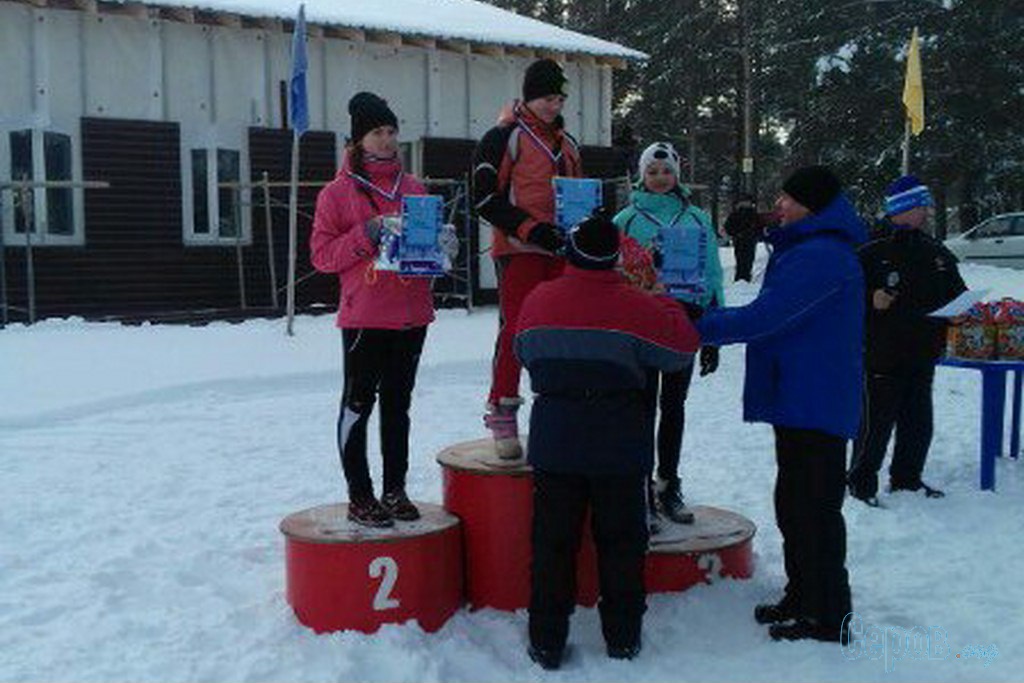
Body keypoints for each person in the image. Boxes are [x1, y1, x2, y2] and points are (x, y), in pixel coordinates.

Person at [514, 215, 699, 669]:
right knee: (621, 542)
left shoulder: (539, 300)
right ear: (616, 257)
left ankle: (546, 641)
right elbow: (682, 350)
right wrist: (667, 301)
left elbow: (523, 351)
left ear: (571, 253)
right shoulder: (636, 305)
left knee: (553, 544)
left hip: (556, 439)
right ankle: (622, 637)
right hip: (620, 442)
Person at [696, 165, 866, 642]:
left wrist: (697, 324)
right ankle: (803, 593)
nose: (781, 206)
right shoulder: (805, 248)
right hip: (799, 397)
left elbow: (768, 318)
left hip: (816, 399)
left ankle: (829, 614)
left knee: (814, 508)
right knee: (794, 503)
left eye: (789, 199)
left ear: (811, 206)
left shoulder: (824, 256)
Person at [309, 92, 433, 528]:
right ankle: (360, 496)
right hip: (365, 314)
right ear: (359, 140)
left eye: (391, 131)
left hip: (412, 313)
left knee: (398, 406)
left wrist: (440, 249)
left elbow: (423, 249)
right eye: (377, 132)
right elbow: (322, 256)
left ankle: (394, 490)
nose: (386, 140)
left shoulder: (414, 188)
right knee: (358, 405)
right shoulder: (337, 193)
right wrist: (368, 232)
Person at [472, 58, 583, 460]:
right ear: (528, 97)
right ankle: (502, 409)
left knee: (560, 331)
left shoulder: (568, 144)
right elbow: (484, 198)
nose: (553, 105)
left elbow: (579, 198)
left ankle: (558, 412)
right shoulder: (504, 137)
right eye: (546, 98)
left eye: (558, 98)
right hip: (519, 249)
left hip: (560, 249)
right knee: (517, 328)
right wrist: (528, 228)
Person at [612, 141, 724, 525]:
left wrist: (713, 331)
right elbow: (610, 272)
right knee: (640, 408)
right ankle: (640, 485)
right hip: (640, 327)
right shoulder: (626, 218)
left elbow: (713, 272)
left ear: (677, 174)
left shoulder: (696, 218)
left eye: (666, 171)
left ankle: (668, 483)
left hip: (683, 323)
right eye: (652, 172)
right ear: (642, 176)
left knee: (674, 406)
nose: (660, 178)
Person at [848, 176, 967, 506]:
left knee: (918, 424)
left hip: (924, 351)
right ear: (902, 209)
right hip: (881, 352)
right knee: (875, 425)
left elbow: (957, 292)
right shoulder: (869, 250)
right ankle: (860, 483)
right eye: (921, 206)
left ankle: (907, 479)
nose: (927, 211)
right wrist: (870, 298)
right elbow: (841, 296)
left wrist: (960, 311)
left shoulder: (935, 251)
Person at [724, 193, 762, 282]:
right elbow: (759, 227)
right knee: (747, 259)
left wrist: (735, 234)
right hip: (747, 240)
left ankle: (741, 278)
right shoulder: (751, 213)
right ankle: (744, 278)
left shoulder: (736, 214)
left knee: (741, 259)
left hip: (742, 240)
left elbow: (728, 227)